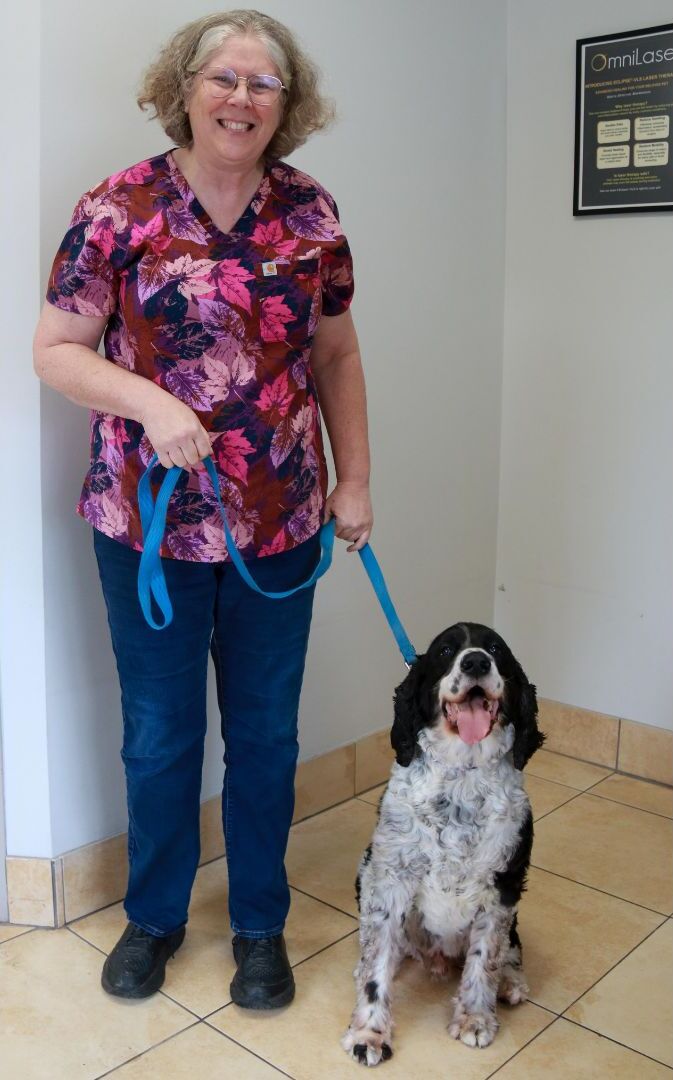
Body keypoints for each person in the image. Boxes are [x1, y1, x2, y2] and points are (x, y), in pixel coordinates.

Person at [33, 9, 372, 1010]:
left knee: (265, 733)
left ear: (287, 104)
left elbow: (338, 355)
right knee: (159, 733)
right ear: (183, 89)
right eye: (222, 79)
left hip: (282, 521)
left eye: (262, 84)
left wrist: (354, 480)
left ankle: (259, 925)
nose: (241, 99)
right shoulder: (118, 206)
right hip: (149, 526)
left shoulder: (311, 212)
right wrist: (151, 402)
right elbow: (56, 349)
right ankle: (155, 917)